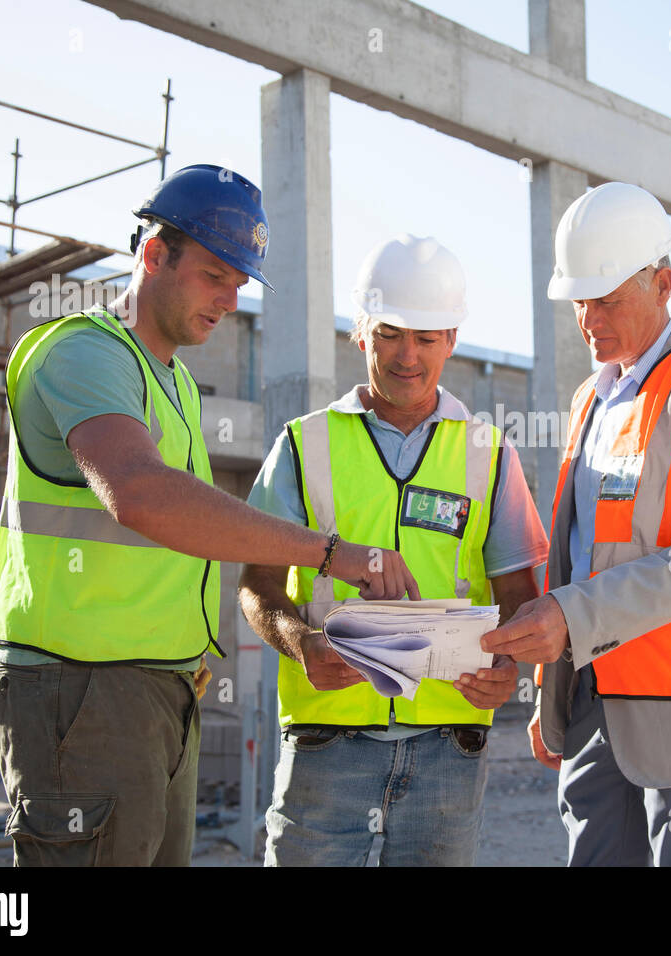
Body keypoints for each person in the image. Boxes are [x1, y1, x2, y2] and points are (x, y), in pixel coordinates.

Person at [0, 164, 417, 867]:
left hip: (159, 689)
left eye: (240, 282)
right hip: (81, 690)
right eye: (215, 274)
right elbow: (141, 494)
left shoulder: (177, 382)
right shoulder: (84, 354)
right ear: (155, 255)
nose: (229, 299)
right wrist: (330, 553)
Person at [482, 182, 671, 866]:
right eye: (580, 302)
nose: (590, 320)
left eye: (608, 299)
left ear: (664, 283)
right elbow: (578, 554)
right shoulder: (591, 398)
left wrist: (567, 617)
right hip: (591, 702)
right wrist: (550, 691)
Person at [239, 234, 548, 866]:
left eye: (426, 337)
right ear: (360, 334)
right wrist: (301, 643)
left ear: (452, 340)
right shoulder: (303, 445)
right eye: (389, 333)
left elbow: (520, 596)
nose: (407, 355)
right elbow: (256, 584)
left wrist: (506, 672)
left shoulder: (490, 454)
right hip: (327, 740)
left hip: (448, 748)